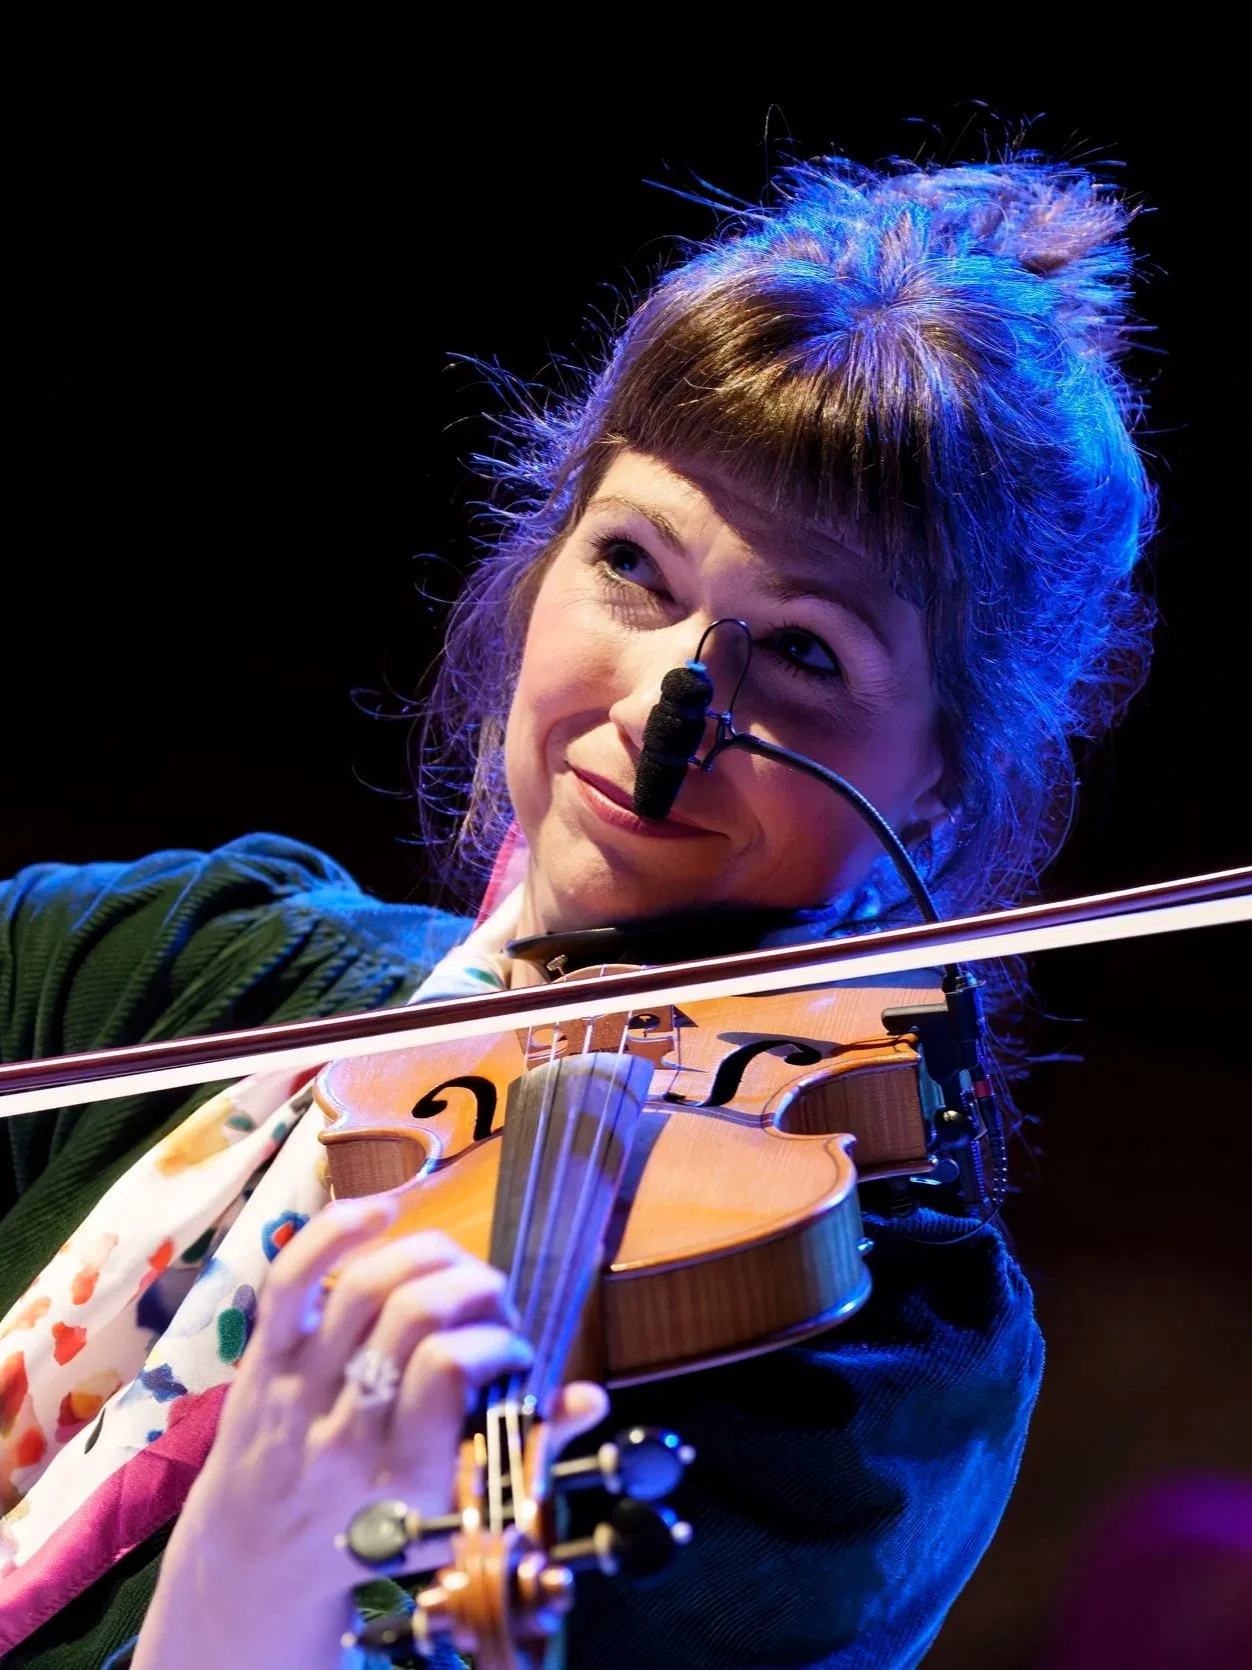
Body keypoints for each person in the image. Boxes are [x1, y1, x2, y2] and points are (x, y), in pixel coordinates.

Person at [0, 150, 1154, 1668]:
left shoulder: (868, 1333)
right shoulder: (170, 963)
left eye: (802, 652)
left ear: (943, 774)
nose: (671, 705)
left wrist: (244, 1598)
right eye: (635, 563)